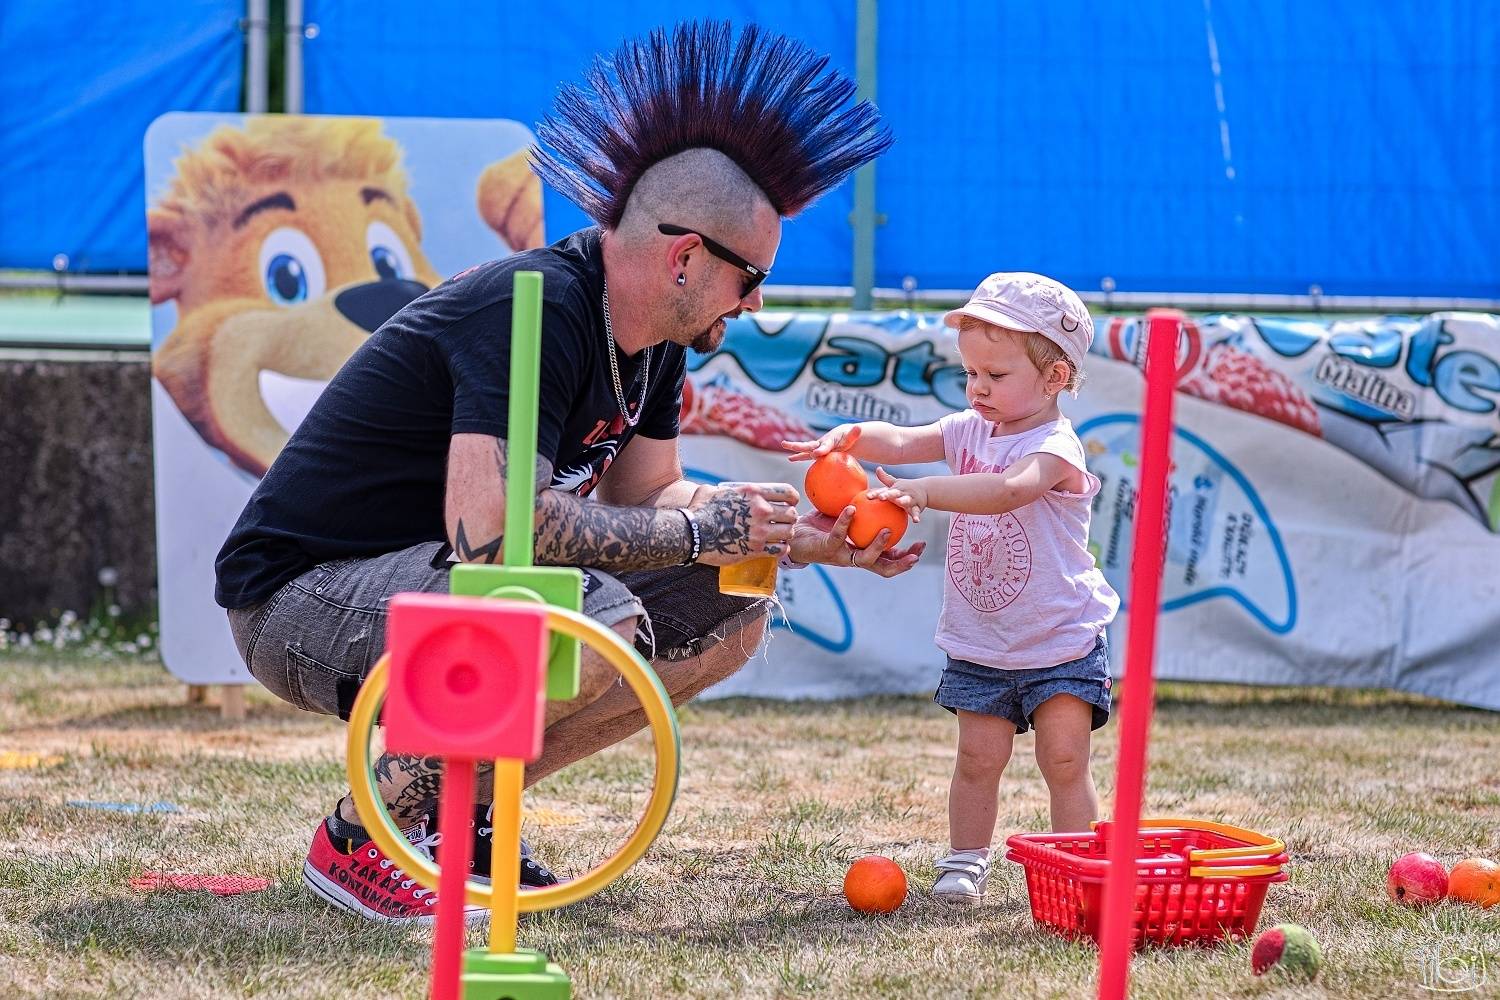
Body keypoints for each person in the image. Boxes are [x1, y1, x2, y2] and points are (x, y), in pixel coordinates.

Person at [214, 20, 923, 924]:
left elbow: (647, 497)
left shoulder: (658, 339)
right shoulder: (532, 306)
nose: (755, 305)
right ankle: (363, 839)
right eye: (750, 281)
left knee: (733, 608)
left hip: (425, 594)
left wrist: (808, 540)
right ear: (684, 257)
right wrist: (705, 528)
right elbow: (496, 533)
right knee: (586, 613)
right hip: (298, 600)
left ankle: (452, 812)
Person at [782, 273, 1119, 906]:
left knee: (1065, 760)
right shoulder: (970, 428)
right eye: (970, 374)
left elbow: (1010, 491)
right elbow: (905, 440)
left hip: (1061, 638)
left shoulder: (1055, 447)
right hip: (982, 640)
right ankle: (966, 857)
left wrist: (927, 492)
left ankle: (1077, 864)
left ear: (1053, 379)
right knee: (976, 761)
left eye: (995, 376)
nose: (977, 389)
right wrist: (849, 440)